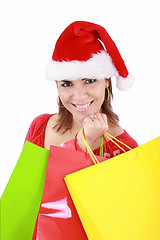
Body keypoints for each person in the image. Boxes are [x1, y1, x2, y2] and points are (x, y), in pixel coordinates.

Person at [25, 21, 138, 157]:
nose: (79, 96)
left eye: (89, 81)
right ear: (57, 86)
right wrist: (84, 142)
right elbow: (25, 179)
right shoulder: (40, 127)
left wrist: (85, 142)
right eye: (67, 84)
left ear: (106, 81)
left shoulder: (125, 148)